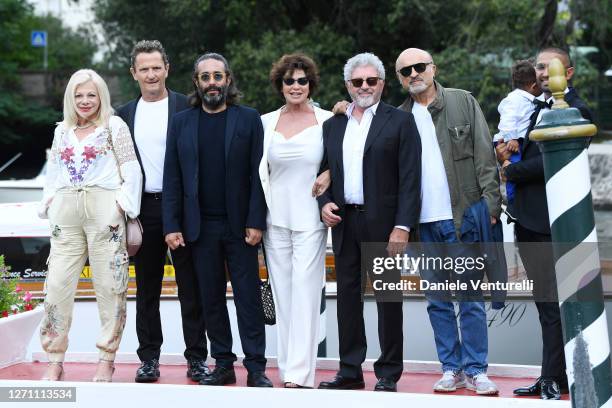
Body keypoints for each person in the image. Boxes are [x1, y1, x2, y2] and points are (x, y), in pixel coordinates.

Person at [395, 48, 501, 395]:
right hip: (421, 225)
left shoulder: (462, 102)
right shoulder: (398, 118)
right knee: (437, 299)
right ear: (399, 78)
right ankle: (451, 368)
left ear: (433, 68)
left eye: (419, 67)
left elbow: (486, 155)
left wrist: (491, 206)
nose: (414, 73)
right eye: (405, 70)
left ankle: (476, 369)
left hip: (462, 219)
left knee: (469, 297)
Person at [163, 53, 272, 387]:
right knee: (211, 299)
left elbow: (259, 175)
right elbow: (173, 177)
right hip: (199, 228)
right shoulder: (181, 122)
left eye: (218, 76)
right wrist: (171, 225)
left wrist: (256, 221)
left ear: (228, 80)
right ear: (196, 83)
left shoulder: (249, 119)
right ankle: (223, 364)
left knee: (248, 299)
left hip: (241, 227)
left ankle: (256, 368)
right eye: (205, 77)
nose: (212, 82)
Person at [316, 52, 421, 392]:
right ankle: (349, 370)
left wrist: (403, 226)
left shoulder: (400, 121)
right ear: (348, 85)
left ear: (382, 83)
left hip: (386, 225)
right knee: (347, 299)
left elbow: (410, 179)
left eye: (371, 81)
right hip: (346, 223)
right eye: (357, 81)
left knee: (389, 300)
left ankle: (389, 372)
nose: (364, 87)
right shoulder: (333, 125)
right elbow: (322, 174)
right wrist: (324, 202)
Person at [497, 47, 593, 400]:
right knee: (546, 305)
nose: (541, 73)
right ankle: (551, 376)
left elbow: (550, 163)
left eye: (549, 67)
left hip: (561, 225)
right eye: (538, 66)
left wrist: (510, 171)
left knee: (564, 305)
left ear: (567, 73)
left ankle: (561, 378)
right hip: (530, 222)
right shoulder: (529, 108)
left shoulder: (579, 110)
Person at [38, 69, 142, 382]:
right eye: (79, 95)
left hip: (104, 211)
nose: (85, 101)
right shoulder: (62, 131)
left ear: (101, 97)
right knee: (56, 286)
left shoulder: (114, 126)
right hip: (66, 212)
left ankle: (106, 358)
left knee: (111, 286)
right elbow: (53, 173)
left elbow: (132, 170)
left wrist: (119, 207)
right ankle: (55, 358)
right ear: (71, 98)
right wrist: (51, 204)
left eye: (91, 95)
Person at [117, 40, 208, 383]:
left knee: (191, 287)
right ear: (134, 73)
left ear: (167, 69)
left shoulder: (189, 107)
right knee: (147, 289)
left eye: (157, 67)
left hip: (184, 211)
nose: (151, 74)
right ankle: (149, 358)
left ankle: (197, 358)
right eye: (145, 69)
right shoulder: (123, 115)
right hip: (144, 212)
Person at [258, 53, 332, 389]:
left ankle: (301, 375)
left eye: (302, 80)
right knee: (283, 297)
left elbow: (345, 158)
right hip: (275, 220)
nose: (296, 86)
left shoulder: (328, 120)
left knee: (305, 295)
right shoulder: (265, 122)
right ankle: (287, 369)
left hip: (311, 220)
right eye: (290, 80)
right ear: (280, 85)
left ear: (311, 84)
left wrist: (330, 172)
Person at [493, 60, 541, 212]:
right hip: (511, 142)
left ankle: (515, 203)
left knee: (516, 171)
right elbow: (507, 119)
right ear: (534, 85)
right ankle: (513, 204)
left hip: (516, 141)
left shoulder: (526, 100)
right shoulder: (515, 100)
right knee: (513, 171)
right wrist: (511, 138)